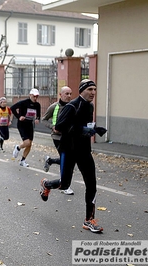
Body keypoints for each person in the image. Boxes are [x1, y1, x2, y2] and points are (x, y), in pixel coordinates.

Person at [40, 79, 107, 233]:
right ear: (82, 90)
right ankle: (47, 185)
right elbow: (59, 126)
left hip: (84, 150)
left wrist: (93, 129)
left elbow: (85, 125)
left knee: (92, 184)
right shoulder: (71, 106)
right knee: (65, 184)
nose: (93, 93)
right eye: (90, 89)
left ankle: (89, 220)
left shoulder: (90, 106)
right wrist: (81, 130)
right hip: (68, 150)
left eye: (95, 90)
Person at [41, 86, 74, 195]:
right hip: (57, 137)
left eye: (70, 94)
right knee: (67, 161)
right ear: (60, 95)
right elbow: (44, 120)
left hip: (69, 137)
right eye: (66, 94)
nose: (69, 96)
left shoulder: (73, 107)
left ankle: (50, 161)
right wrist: (52, 127)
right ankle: (65, 186)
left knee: (69, 160)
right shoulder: (54, 107)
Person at [11, 88, 41, 167]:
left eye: (37, 97)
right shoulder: (23, 103)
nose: (35, 98)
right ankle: (18, 147)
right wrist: (19, 116)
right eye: (34, 96)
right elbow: (12, 108)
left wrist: (37, 119)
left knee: (29, 144)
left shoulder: (37, 105)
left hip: (30, 124)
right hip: (22, 124)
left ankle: (23, 160)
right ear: (30, 95)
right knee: (27, 142)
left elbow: (38, 114)